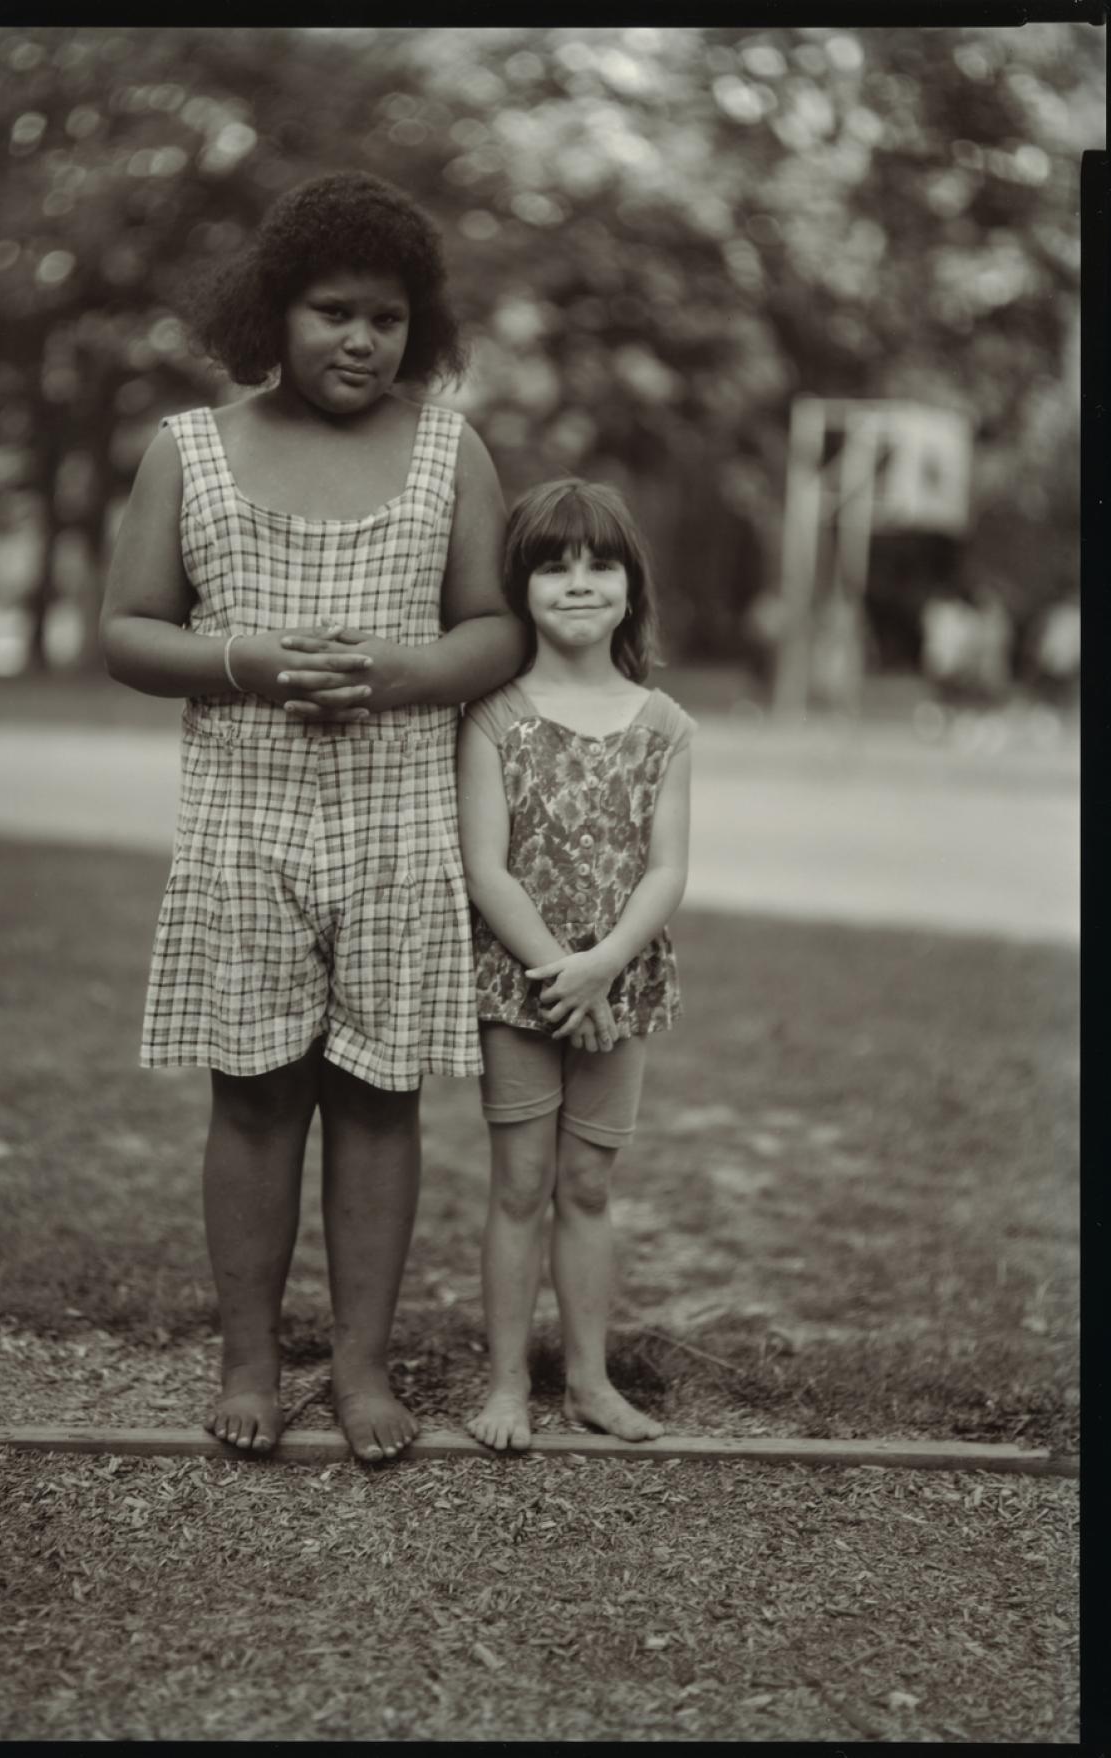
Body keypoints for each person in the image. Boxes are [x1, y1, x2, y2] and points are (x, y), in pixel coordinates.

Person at [100, 171, 523, 1463]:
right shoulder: (193, 448)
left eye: (387, 318)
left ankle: (360, 1365)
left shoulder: (452, 446)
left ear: (421, 327)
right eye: (331, 312)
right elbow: (124, 632)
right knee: (257, 1094)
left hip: (400, 820)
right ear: (270, 314)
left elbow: (496, 627)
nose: (360, 340)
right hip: (246, 814)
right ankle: (248, 1355)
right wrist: (257, 663)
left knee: (382, 1097)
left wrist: (399, 674)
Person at [456, 478, 696, 1452]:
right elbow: (484, 867)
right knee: (518, 1185)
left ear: (631, 587)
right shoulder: (494, 718)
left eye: (599, 564)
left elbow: (668, 867)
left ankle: (590, 1384)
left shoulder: (663, 724)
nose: (578, 582)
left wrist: (604, 966)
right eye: (552, 566)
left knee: (588, 1187)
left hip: (621, 980)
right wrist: (563, 972)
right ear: (519, 589)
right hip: (523, 987)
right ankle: (507, 1385)